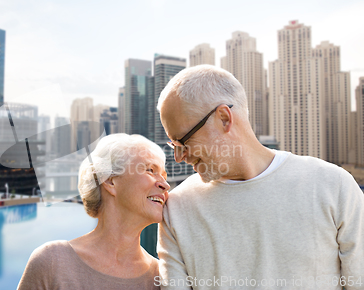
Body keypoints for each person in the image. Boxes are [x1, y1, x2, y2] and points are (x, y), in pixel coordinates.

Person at [156, 65, 364, 289]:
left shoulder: (334, 186)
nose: (179, 157)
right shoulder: (176, 209)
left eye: (183, 142)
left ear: (224, 118)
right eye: (173, 146)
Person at [18, 134, 170, 290]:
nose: (165, 185)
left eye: (165, 177)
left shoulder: (163, 278)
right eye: (151, 170)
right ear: (110, 181)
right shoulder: (52, 262)